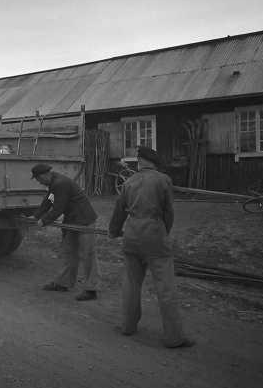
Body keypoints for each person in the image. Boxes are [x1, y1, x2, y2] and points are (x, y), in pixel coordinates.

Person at [108, 146, 194, 348]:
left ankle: (128, 326)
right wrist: (165, 232)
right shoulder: (162, 180)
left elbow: (119, 210)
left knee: (131, 284)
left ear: (140, 162)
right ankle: (174, 338)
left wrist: (113, 231)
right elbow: (168, 212)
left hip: (131, 235)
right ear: (154, 163)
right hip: (154, 235)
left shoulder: (128, 181)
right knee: (165, 288)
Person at [31, 163, 100, 301]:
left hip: (84, 220)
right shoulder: (53, 183)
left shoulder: (60, 183)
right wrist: (36, 216)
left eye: (38, 179)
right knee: (68, 252)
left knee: (87, 254)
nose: (39, 182)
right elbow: (49, 201)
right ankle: (63, 283)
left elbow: (58, 208)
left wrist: (44, 221)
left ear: (44, 175)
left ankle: (91, 289)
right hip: (72, 221)